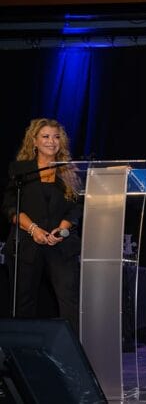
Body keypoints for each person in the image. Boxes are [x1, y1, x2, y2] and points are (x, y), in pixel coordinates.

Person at [1, 118, 82, 334]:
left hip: (61, 245)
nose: (51, 141)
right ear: (34, 141)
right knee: (23, 303)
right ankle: (23, 353)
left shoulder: (70, 171)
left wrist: (62, 230)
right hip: (26, 244)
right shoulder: (20, 170)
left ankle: (71, 356)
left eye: (56, 137)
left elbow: (76, 208)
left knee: (70, 302)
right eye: (45, 136)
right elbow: (10, 207)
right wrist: (34, 229)